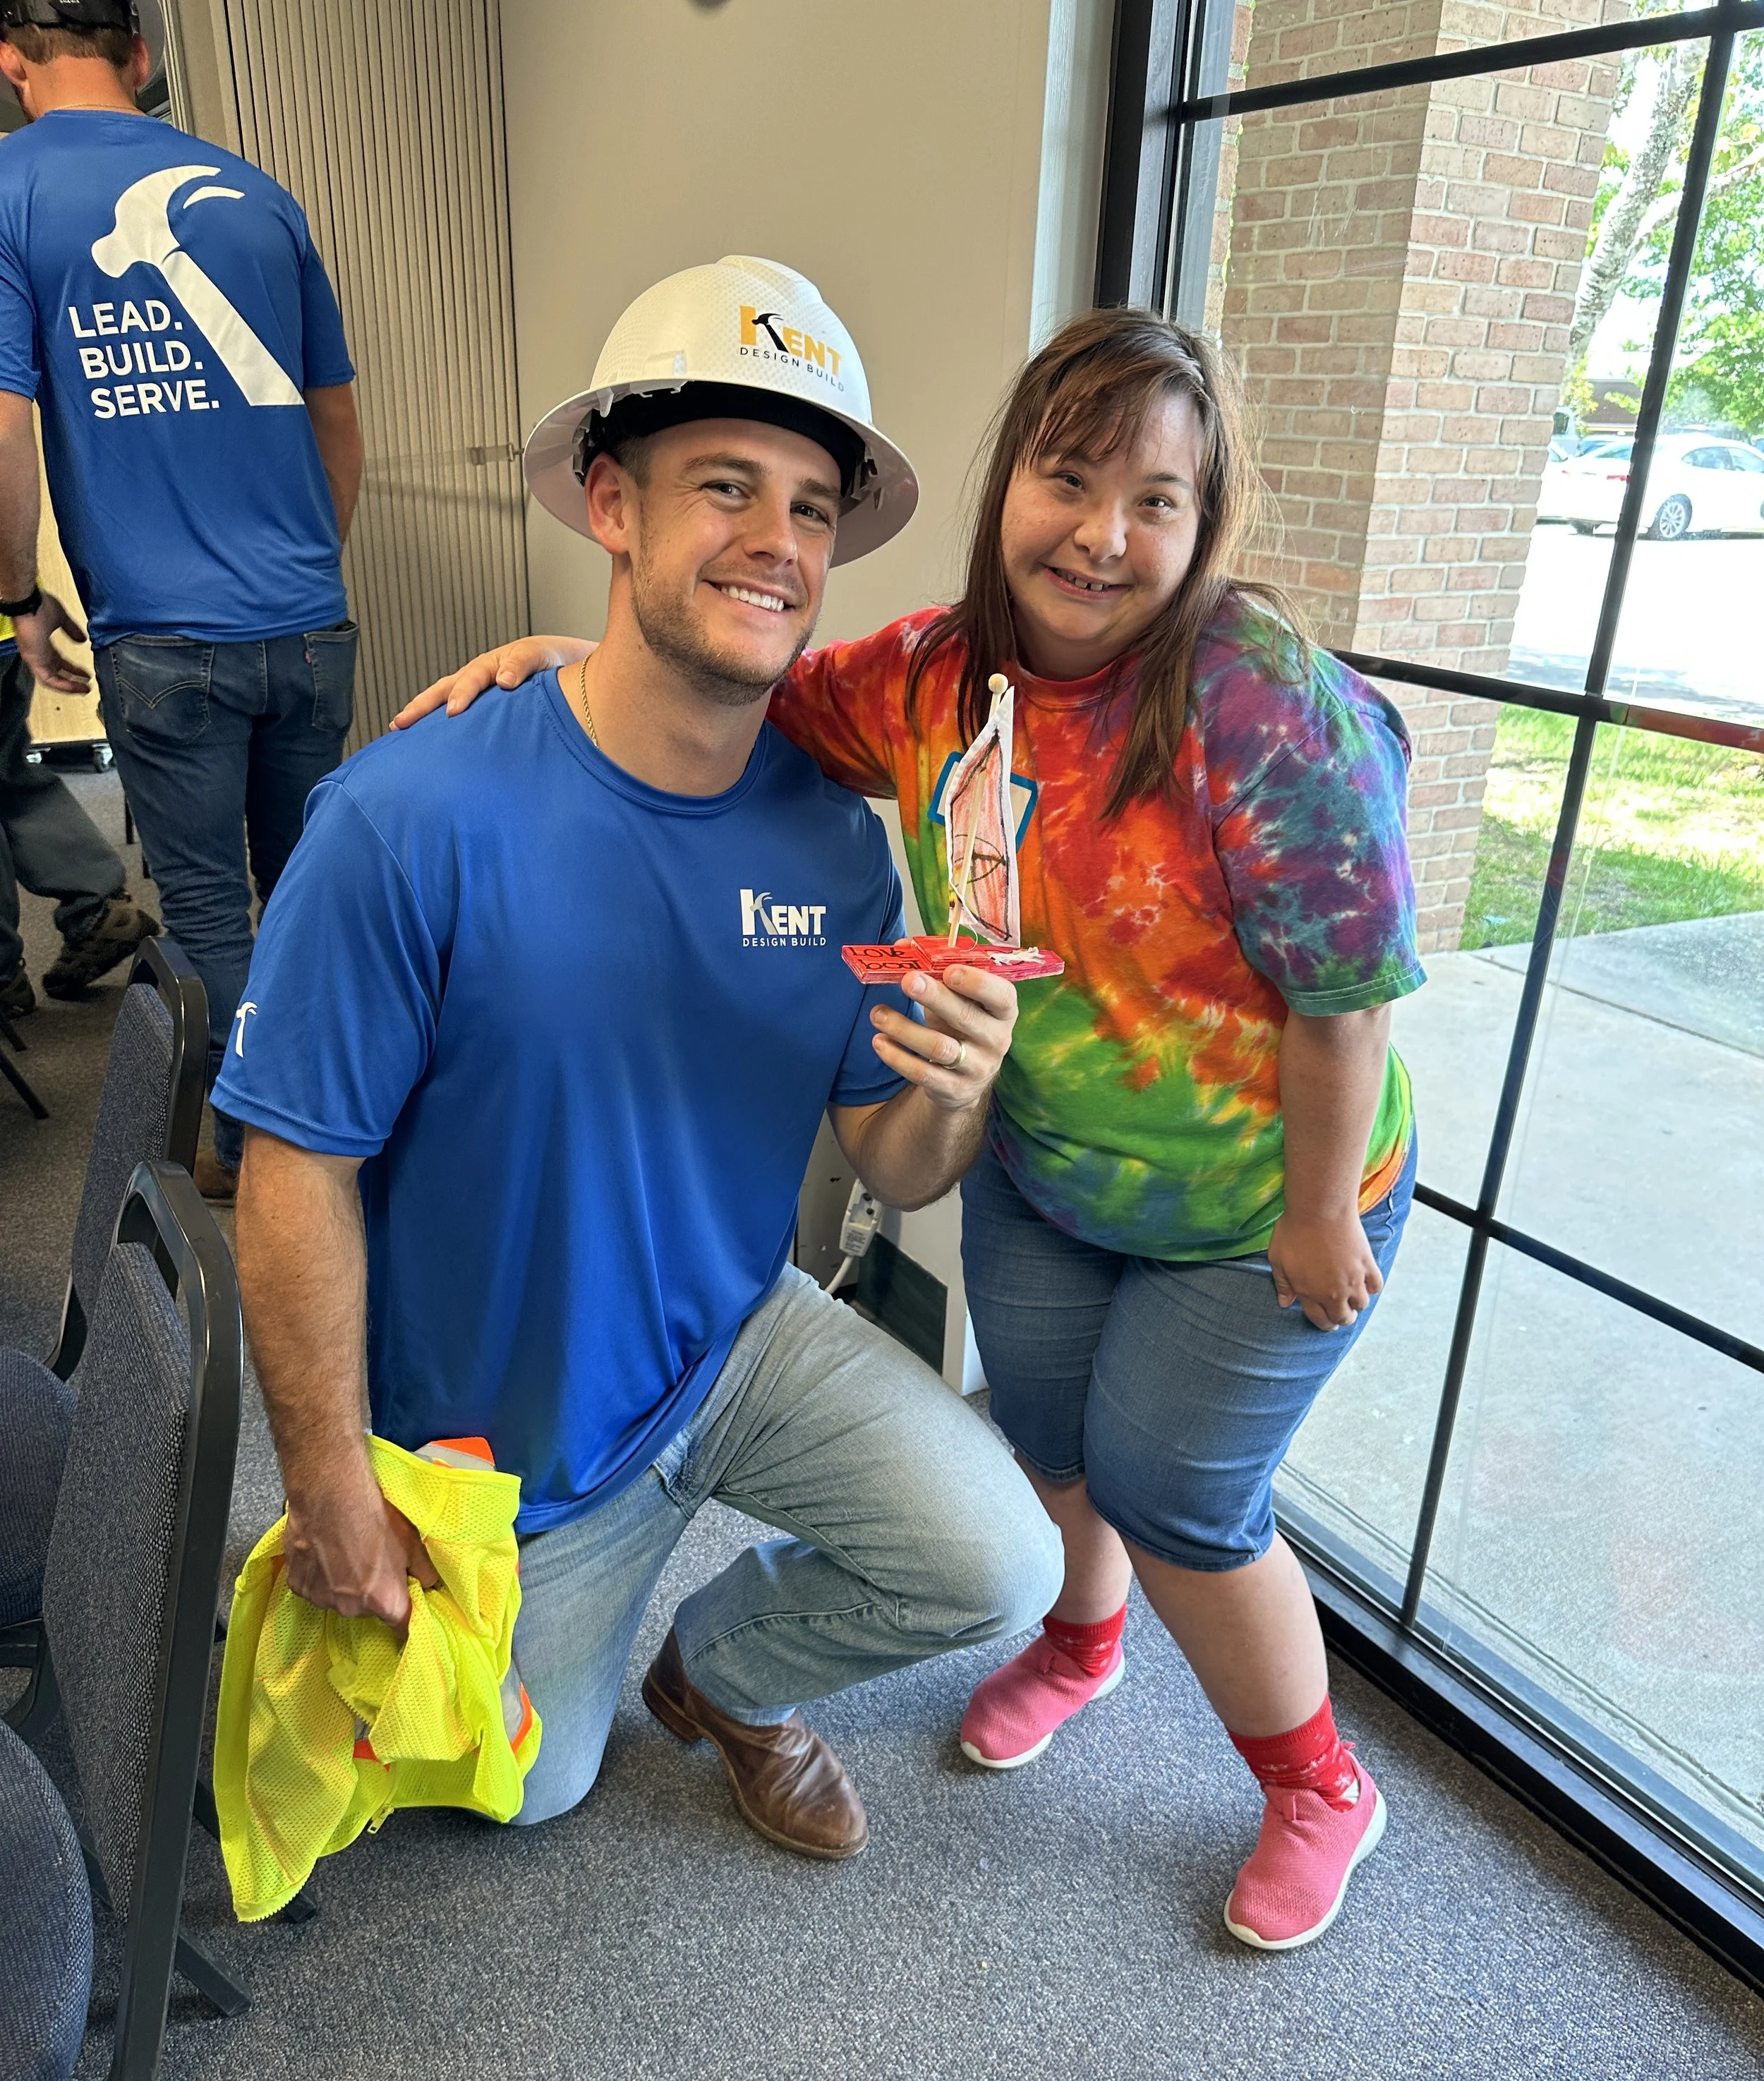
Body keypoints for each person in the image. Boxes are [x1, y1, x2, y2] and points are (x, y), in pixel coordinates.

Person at [399, 308, 1425, 1949]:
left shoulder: (1264, 703)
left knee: (1176, 1495)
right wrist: (555, 672)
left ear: (1204, 522)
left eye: (1154, 501)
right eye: (1067, 477)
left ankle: (1316, 1786)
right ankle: (1078, 1646)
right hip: (1052, 1169)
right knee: (1053, 1445)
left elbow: (1351, 996)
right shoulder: (940, 675)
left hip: (1264, 1200)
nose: (1101, 532)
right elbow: (740, 688)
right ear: (1005, 477)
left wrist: (1317, 1210)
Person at [214, 257, 1062, 1859]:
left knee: (999, 1564)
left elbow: (889, 1157)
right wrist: (326, 1477)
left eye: (810, 508)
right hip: (509, 1437)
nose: (777, 543)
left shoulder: (832, 844)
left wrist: (957, 1083)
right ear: (611, 505)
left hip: (734, 1337)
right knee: (525, 1792)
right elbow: (292, 1162)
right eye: (724, 488)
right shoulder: (408, 818)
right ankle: (572, 1620)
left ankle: (723, 1674)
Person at [0, 0, 363, 1194]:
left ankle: (256, 1156)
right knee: (312, 890)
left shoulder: (12, 191)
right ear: (142, 57)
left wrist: (18, 599)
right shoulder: (261, 194)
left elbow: (5, 429)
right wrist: (312, 566)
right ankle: (337, 1117)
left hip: (163, 637)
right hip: (307, 624)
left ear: (12, 65)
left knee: (211, 914)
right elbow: (335, 419)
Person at [0, 603, 155, 1015]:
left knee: (8, 771)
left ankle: (1, 975)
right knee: (9, 773)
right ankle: (98, 907)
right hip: (3, 626)